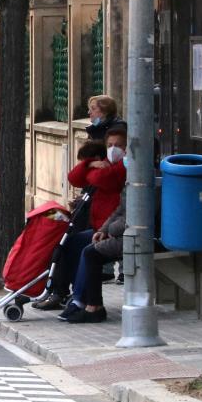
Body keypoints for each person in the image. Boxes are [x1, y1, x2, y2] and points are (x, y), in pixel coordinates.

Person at [33, 127, 127, 311]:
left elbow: (102, 179)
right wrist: (89, 164)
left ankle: (81, 300)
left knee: (86, 251)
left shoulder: (124, 166)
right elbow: (74, 178)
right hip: (100, 227)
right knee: (67, 245)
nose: (113, 149)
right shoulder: (105, 162)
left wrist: (91, 172)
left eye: (118, 145)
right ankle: (62, 293)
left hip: (112, 228)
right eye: (110, 145)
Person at [61, 187, 126, 324]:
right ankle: (71, 295)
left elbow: (136, 217)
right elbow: (119, 210)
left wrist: (111, 230)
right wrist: (104, 229)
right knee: (74, 243)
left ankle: (93, 306)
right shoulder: (131, 181)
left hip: (137, 237)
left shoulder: (148, 182)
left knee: (91, 253)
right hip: (120, 233)